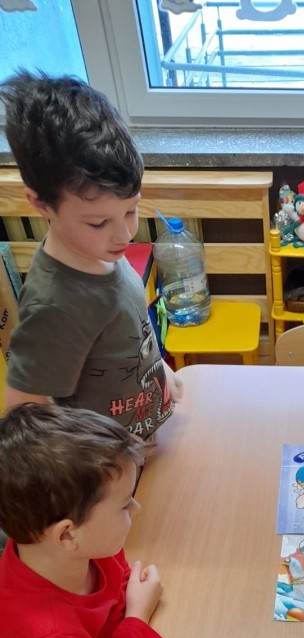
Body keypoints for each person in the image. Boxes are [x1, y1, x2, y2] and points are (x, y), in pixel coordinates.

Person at [0, 70, 181, 437]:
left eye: (131, 210)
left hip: (149, 437)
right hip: (112, 462)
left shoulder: (100, 251)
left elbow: (130, 340)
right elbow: (23, 416)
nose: (125, 234)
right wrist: (99, 467)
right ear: (41, 204)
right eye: (98, 223)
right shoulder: (55, 307)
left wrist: (161, 372)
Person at [0, 404, 164, 638]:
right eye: (124, 505)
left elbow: (115, 596)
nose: (136, 508)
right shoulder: (47, 634)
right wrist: (137, 616)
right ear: (67, 535)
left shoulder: (85, 550)